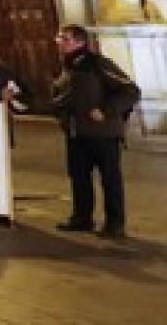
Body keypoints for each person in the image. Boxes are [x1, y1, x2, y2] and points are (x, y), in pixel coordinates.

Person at [51, 25, 139, 239]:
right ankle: (82, 218)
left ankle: (115, 223)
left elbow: (130, 90)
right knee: (79, 177)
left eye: (64, 38)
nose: (59, 41)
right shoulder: (68, 68)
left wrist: (107, 111)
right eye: (59, 37)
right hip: (76, 132)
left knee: (110, 179)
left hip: (103, 133)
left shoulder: (98, 64)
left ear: (79, 42)